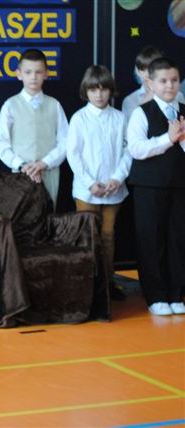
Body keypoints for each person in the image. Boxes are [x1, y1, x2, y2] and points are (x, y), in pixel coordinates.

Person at [66, 65, 132, 302]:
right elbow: (73, 154)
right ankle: (88, 285)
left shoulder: (120, 118)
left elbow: (129, 150)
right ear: (86, 91)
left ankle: (108, 282)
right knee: (87, 237)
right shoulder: (79, 118)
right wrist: (90, 183)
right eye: (94, 89)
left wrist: (117, 178)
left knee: (107, 236)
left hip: (114, 189)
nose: (99, 94)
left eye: (104, 89)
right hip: (87, 191)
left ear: (110, 91)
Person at [126, 57, 185, 316]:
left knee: (178, 239)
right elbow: (137, 149)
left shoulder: (184, 110)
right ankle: (156, 295)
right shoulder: (141, 112)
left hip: (180, 185)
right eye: (163, 81)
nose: (170, 86)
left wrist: (181, 139)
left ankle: (176, 294)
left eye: (174, 80)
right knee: (152, 240)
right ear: (150, 83)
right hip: (149, 186)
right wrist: (167, 139)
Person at [0, 48, 68, 208]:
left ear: (46, 74)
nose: (33, 77)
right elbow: (1, 142)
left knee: (47, 215)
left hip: (48, 172)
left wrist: (44, 163)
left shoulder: (54, 105)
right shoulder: (10, 105)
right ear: (19, 74)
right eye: (28, 72)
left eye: (38, 72)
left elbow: (65, 141)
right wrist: (22, 165)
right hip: (20, 174)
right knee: (21, 216)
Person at [121, 46, 185, 121]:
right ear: (138, 72)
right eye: (145, 68)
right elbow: (133, 125)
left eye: (156, 68)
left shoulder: (178, 96)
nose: (150, 73)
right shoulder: (130, 100)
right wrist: (152, 94)